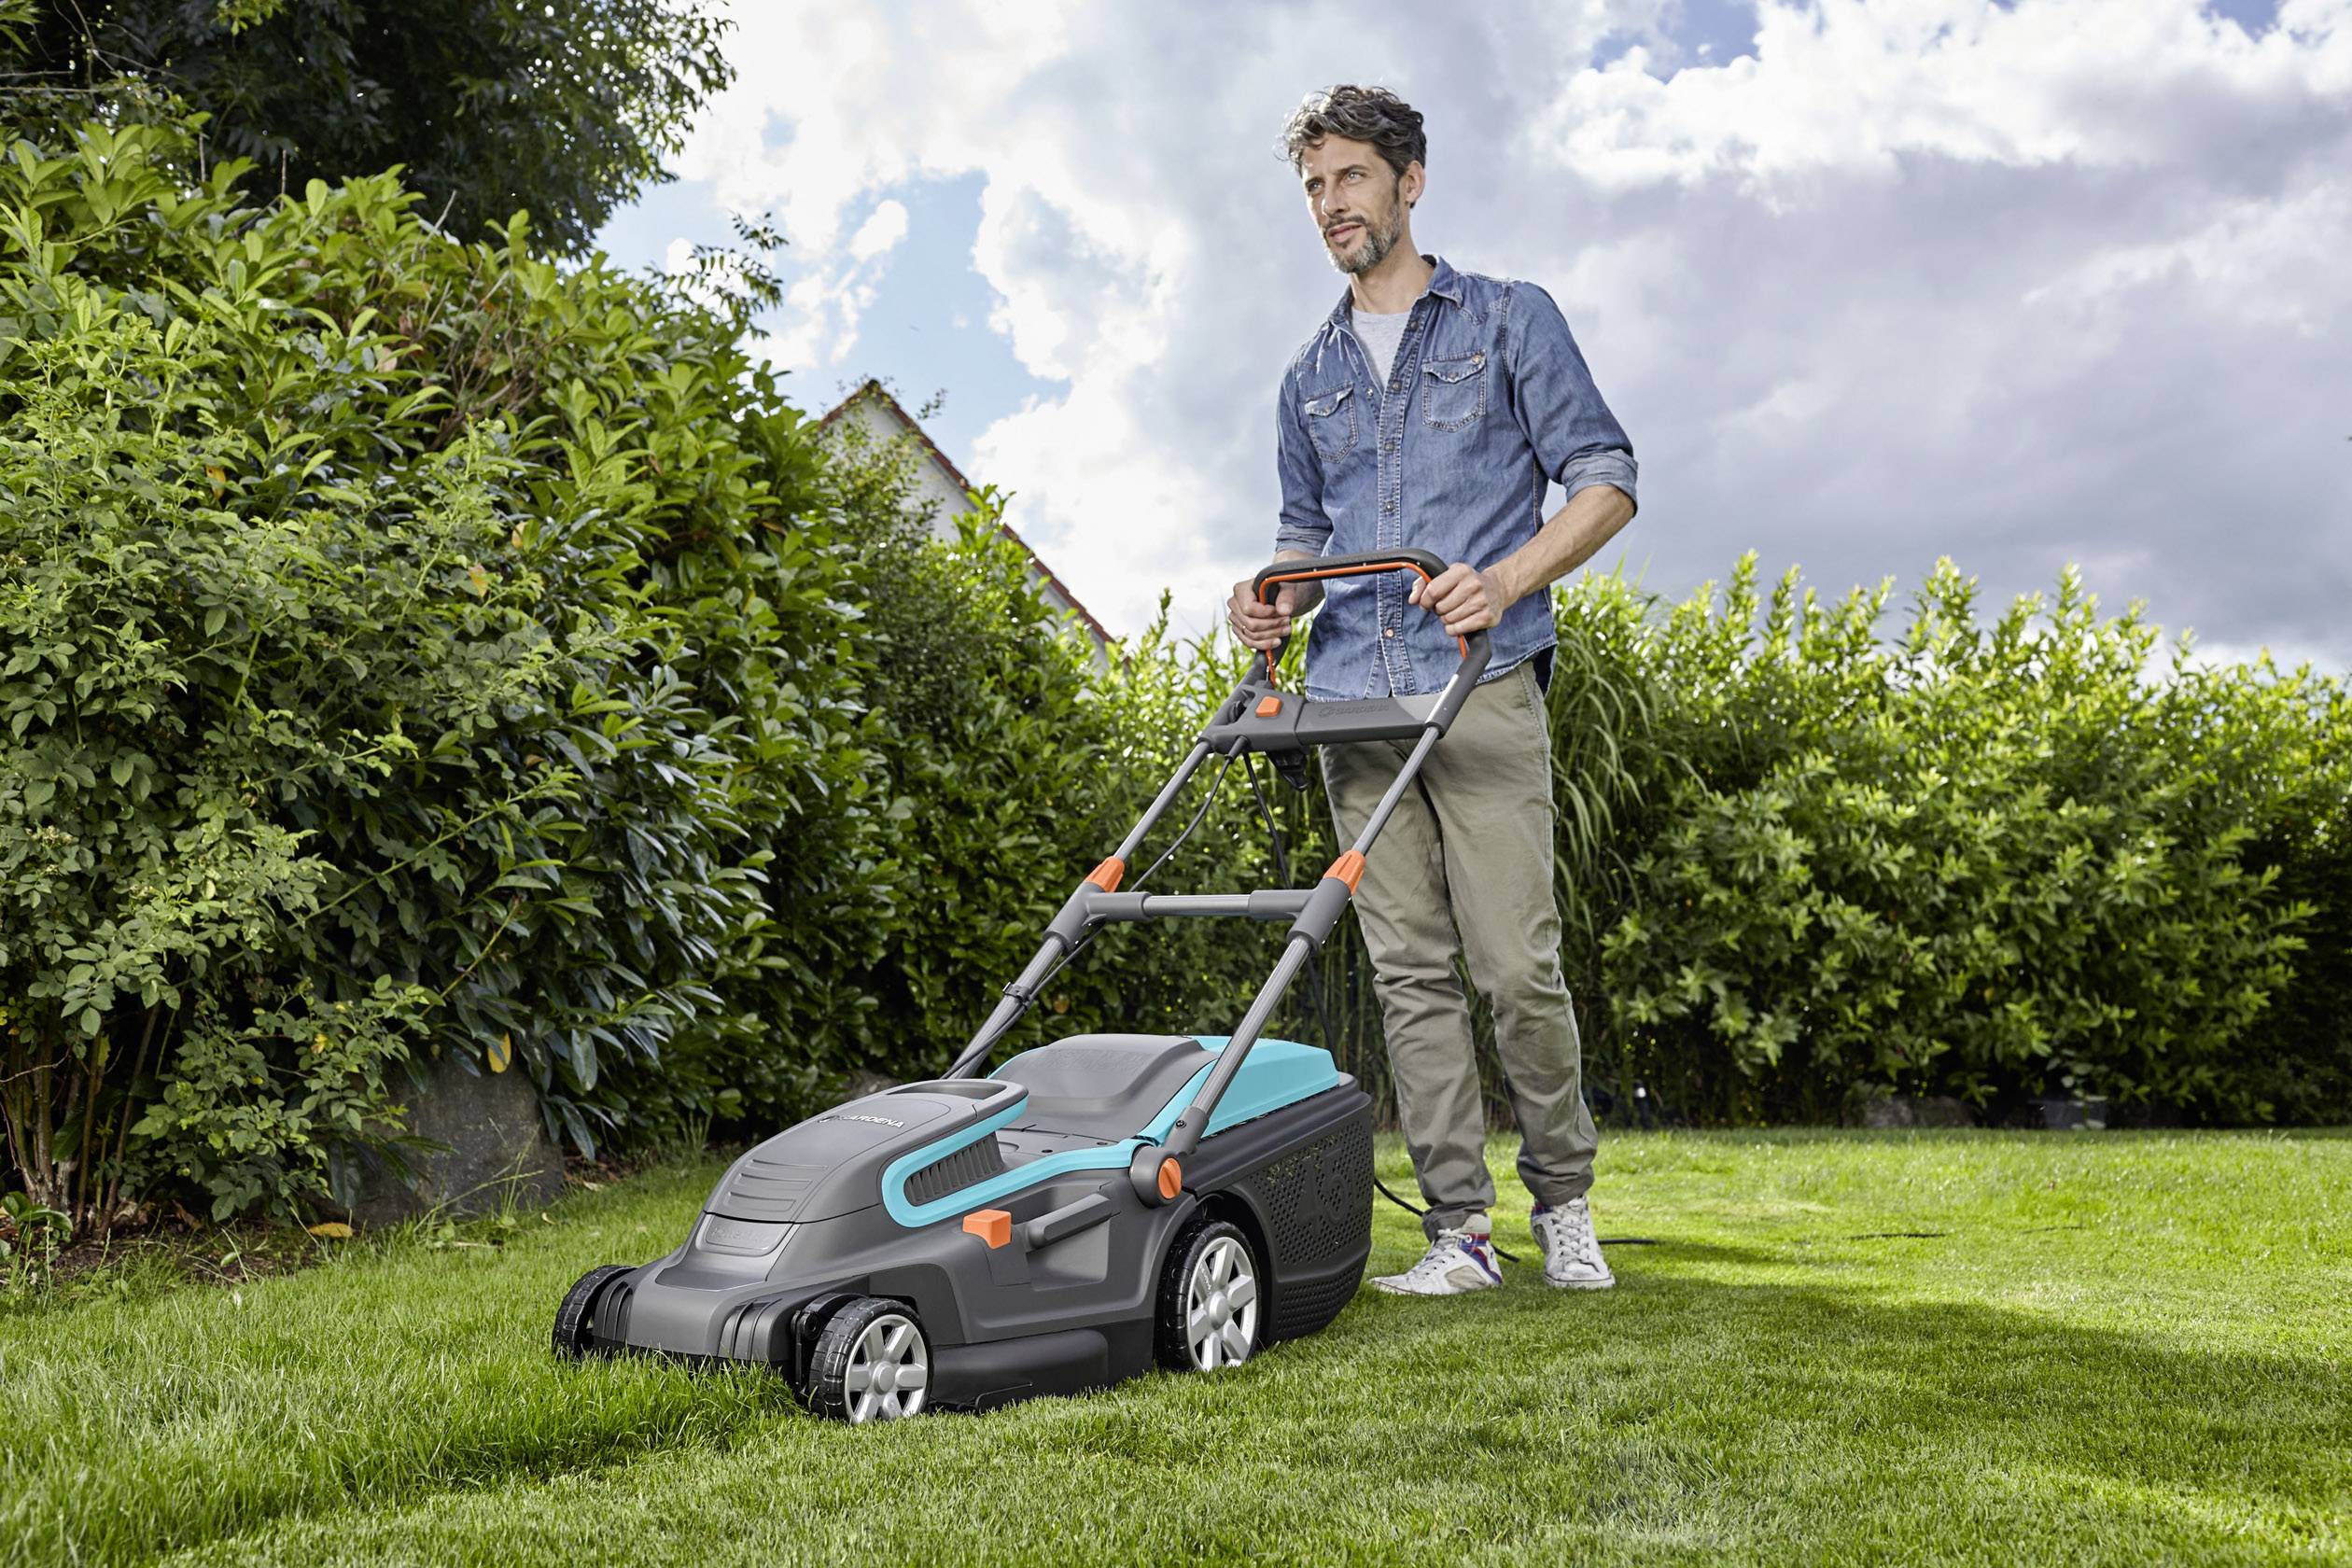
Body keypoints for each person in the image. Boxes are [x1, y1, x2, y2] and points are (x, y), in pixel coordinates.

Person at [1228, 84, 1638, 1296]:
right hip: (1354, 703)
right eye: (1311, 187)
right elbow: (1305, 544)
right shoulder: (1308, 377)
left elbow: (1607, 480)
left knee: (1517, 966)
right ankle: (1458, 1231)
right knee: (1409, 975)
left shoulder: (1510, 322)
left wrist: (1503, 580)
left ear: (1409, 180)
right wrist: (1270, 600)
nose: (1328, 205)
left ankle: (1564, 1203)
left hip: (1484, 684)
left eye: (1348, 178)